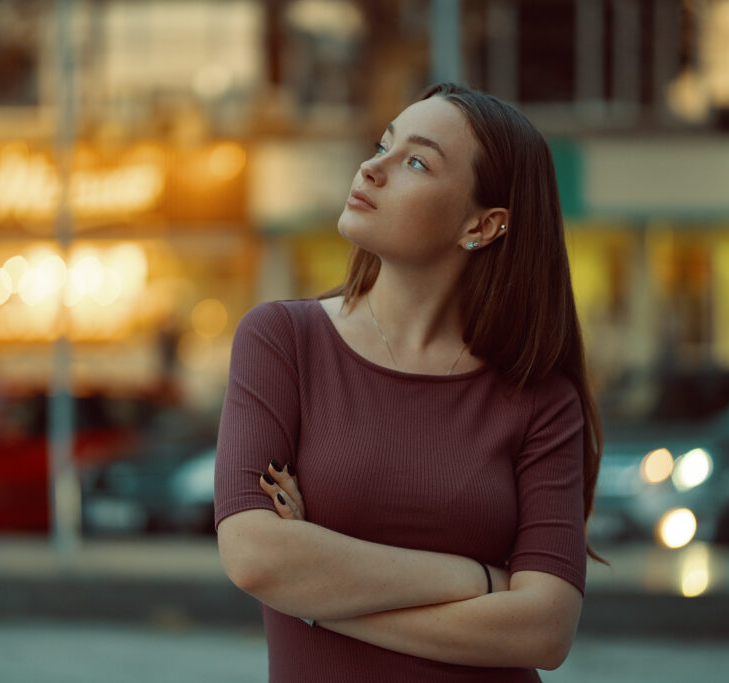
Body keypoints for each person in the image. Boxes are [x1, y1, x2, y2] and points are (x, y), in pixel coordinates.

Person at [214, 82, 604, 682]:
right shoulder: (281, 341)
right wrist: (476, 579)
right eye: (382, 145)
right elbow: (254, 555)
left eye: (415, 162)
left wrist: (317, 597)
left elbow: (544, 631)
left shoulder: (541, 399)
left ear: (483, 224)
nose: (372, 168)